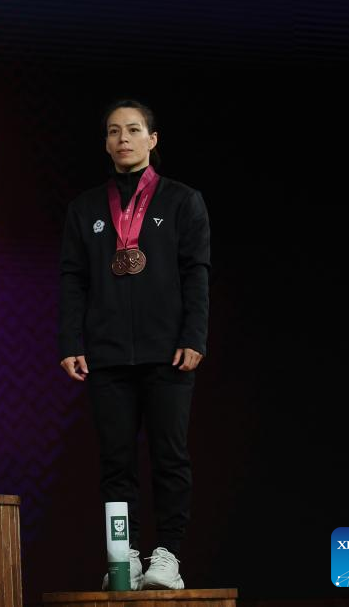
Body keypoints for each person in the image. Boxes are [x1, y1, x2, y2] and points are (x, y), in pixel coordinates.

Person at [59, 100, 210, 590]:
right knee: (115, 462)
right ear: (105, 144)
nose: (123, 138)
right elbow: (73, 280)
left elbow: (196, 275)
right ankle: (124, 557)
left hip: (168, 353)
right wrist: (71, 340)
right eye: (113, 131)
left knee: (170, 458)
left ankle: (168, 556)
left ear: (152, 139)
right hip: (106, 356)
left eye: (133, 129)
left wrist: (194, 336)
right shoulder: (85, 208)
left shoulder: (183, 201)